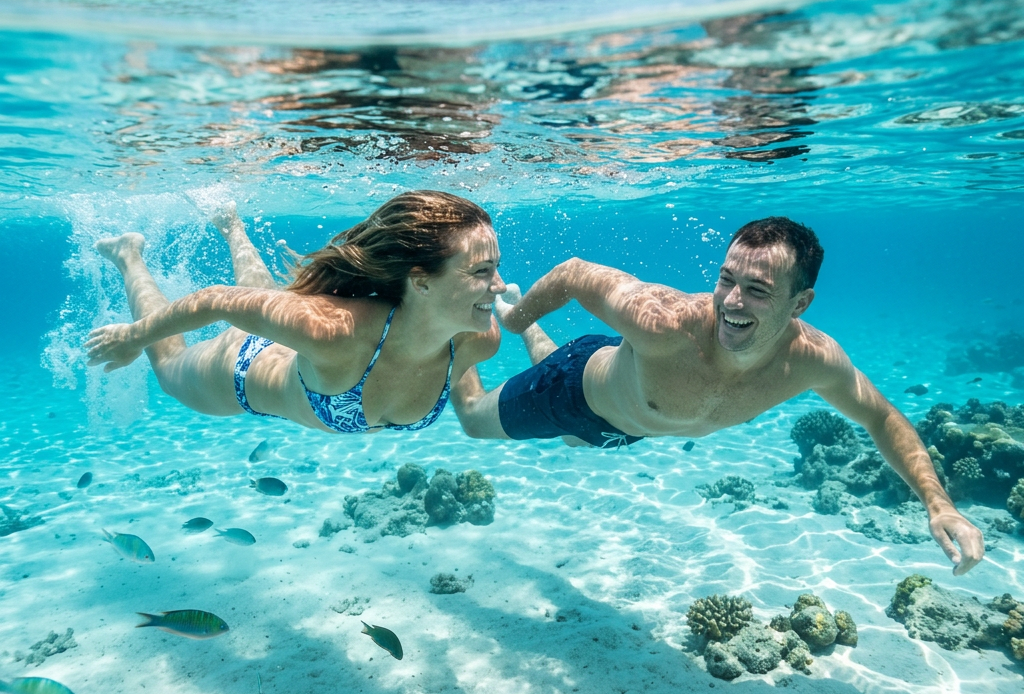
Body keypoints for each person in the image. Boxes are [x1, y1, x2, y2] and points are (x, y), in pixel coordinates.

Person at [451, 216, 985, 575]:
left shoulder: (813, 360)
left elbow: (880, 414)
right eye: (726, 279)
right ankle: (456, 341)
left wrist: (939, 505)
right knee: (475, 421)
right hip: (576, 390)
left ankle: (522, 334)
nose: (732, 301)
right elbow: (572, 274)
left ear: (800, 304)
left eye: (757, 290)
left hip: (626, 423)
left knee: (575, 443)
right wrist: (513, 315)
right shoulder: (662, 323)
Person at [86, 191, 505, 435]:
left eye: (497, 268)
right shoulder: (334, 331)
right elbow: (214, 299)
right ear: (421, 281)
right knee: (168, 368)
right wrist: (131, 339)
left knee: (267, 298)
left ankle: (231, 225)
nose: (500, 285)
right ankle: (129, 255)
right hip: (243, 368)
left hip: (299, 346)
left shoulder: (476, 341)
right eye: (482, 271)